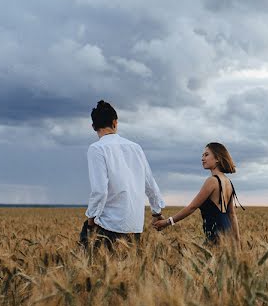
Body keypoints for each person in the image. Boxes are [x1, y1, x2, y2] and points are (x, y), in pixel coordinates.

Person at [84, 100, 165, 251]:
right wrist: (156, 211)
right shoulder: (135, 147)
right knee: (132, 270)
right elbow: (150, 183)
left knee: (95, 266)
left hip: (108, 223)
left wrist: (91, 219)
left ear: (93, 126)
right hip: (134, 224)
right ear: (115, 122)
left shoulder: (96, 149)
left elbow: (100, 190)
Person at [153, 142, 241, 247]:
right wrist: (237, 242)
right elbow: (232, 214)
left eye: (206, 155)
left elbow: (192, 207)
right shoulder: (228, 181)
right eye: (202, 155)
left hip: (215, 234)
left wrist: (167, 222)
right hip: (226, 233)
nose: (203, 158)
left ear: (217, 158)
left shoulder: (212, 181)